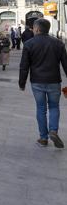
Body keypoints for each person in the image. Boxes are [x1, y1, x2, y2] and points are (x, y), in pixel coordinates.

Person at [19, 18, 67, 148]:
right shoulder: (59, 44)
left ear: (37, 29)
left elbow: (24, 66)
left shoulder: (29, 44)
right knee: (54, 107)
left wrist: (21, 83)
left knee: (41, 109)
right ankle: (53, 131)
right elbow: (66, 64)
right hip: (54, 81)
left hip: (37, 82)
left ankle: (43, 138)